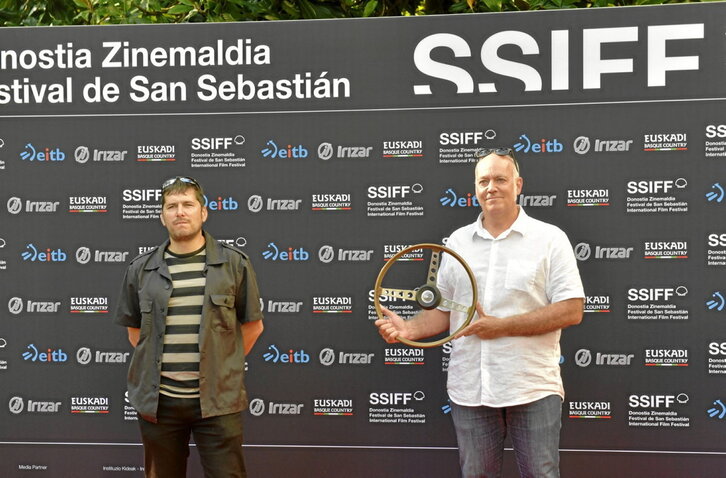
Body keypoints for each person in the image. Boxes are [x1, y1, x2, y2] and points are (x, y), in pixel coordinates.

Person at [375, 148, 584, 478]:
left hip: (531, 387)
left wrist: (501, 327)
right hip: (470, 389)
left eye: (500, 179)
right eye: (483, 180)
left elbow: (571, 310)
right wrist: (410, 329)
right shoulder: (458, 242)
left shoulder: (549, 239)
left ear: (518, 184)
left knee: (541, 474)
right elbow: (447, 312)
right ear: (475, 188)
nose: (492, 187)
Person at [114, 176, 264, 478]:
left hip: (218, 402)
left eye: (187, 204)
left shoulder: (234, 264)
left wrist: (221, 365)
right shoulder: (140, 269)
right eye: (171, 206)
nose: (180, 212)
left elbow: (253, 327)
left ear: (203, 212)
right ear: (162, 216)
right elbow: (137, 334)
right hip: (160, 404)